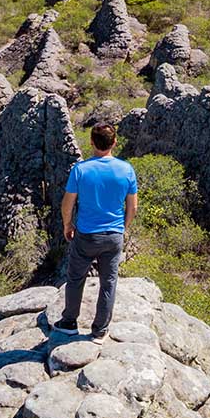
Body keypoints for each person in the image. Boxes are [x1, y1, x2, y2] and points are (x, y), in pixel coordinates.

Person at [52, 122, 137, 344]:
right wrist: (122, 228)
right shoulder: (126, 170)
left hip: (87, 234)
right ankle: (100, 331)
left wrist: (67, 225)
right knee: (108, 282)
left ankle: (69, 323)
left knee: (75, 278)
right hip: (113, 235)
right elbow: (133, 207)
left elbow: (67, 204)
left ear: (91, 142)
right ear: (115, 143)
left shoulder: (80, 170)